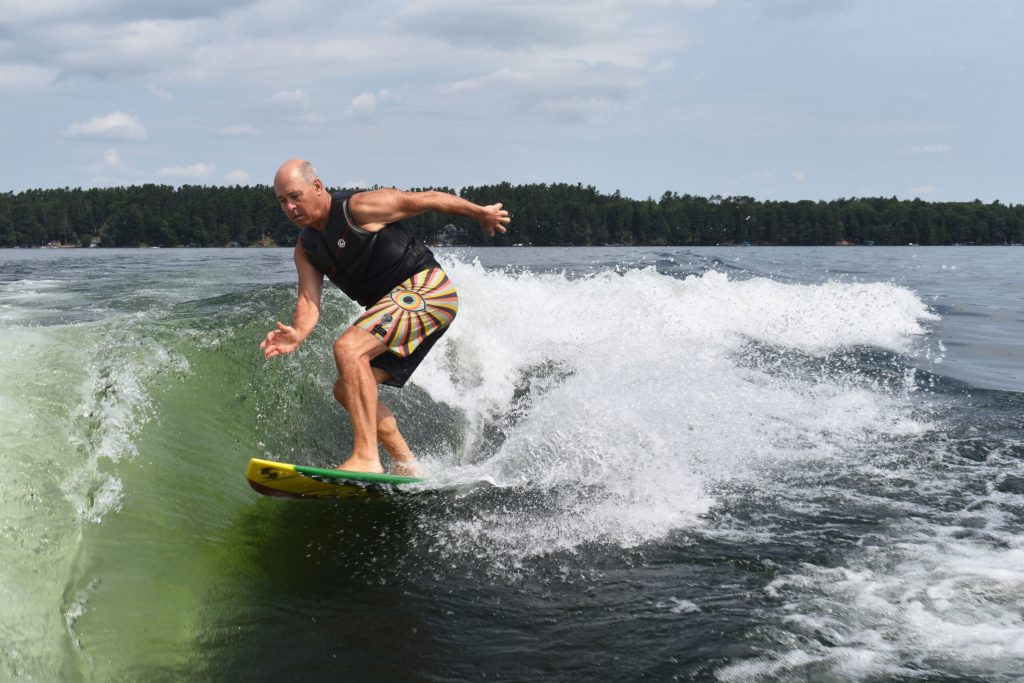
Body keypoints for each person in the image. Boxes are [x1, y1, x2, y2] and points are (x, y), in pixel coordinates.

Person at [260, 159, 510, 476]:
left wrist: (481, 212)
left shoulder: (359, 208)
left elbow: (427, 199)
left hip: (429, 291)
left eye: (295, 196)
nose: (290, 207)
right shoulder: (307, 248)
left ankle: (366, 457)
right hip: (400, 308)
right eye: (283, 201)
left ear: (318, 187)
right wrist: (297, 333)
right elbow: (309, 301)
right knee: (346, 389)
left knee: (349, 348)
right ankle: (407, 465)